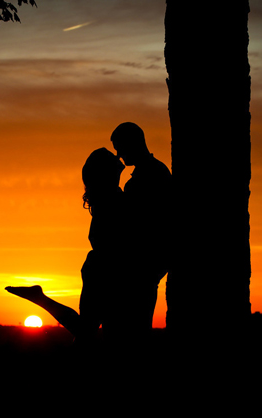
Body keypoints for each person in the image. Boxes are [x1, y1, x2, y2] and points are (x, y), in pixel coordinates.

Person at [6, 147, 126, 346]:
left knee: (87, 331)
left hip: (99, 269)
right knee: (89, 332)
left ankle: (40, 298)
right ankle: (40, 299)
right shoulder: (113, 200)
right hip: (105, 272)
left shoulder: (105, 198)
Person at [109, 122, 172, 337]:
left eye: (120, 147)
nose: (118, 155)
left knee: (134, 330)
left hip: (144, 264)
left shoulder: (152, 175)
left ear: (133, 144)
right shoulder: (152, 173)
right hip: (144, 265)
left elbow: (140, 224)